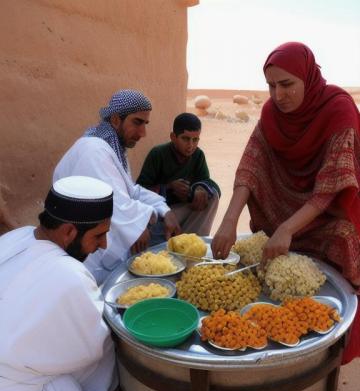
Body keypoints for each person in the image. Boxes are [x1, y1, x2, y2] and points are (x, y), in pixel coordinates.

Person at [211, 42, 360, 364]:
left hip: (328, 209)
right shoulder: (271, 114)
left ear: (308, 77)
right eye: (271, 86)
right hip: (284, 205)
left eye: (287, 84)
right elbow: (251, 166)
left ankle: (332, 336)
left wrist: (287, 228)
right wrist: (228, 220)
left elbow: (331, 186)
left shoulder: (338, 110)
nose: (279, 95)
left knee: (346, 237)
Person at [0, 176, 116, 391]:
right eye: (100, 235)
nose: (104, 245)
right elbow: (90, 350)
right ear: (68, 231)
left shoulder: (17, 236)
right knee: (106, 352)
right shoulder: (70, 276)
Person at [53, 89, 180, 284]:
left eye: (145, 124)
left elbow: (130, 190)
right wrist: (141, 223)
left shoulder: (111, 149)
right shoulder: (93, 150)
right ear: (115, 120)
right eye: (137, 122)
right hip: (85, 256)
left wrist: (164, 209)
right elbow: (116, 203)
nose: (143, 133)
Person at [137, 112, 220, 239]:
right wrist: (168, 187)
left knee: (212, 195)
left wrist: (199, 188)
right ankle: (180, 241)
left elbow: (209, 183)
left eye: (195, 139)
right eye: (185, 139)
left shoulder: (198, 155)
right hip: (163, 214)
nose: (191, 145)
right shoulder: (157, 154)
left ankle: (191, 242)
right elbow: (139, 192)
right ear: (173, 137)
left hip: (185, 210)